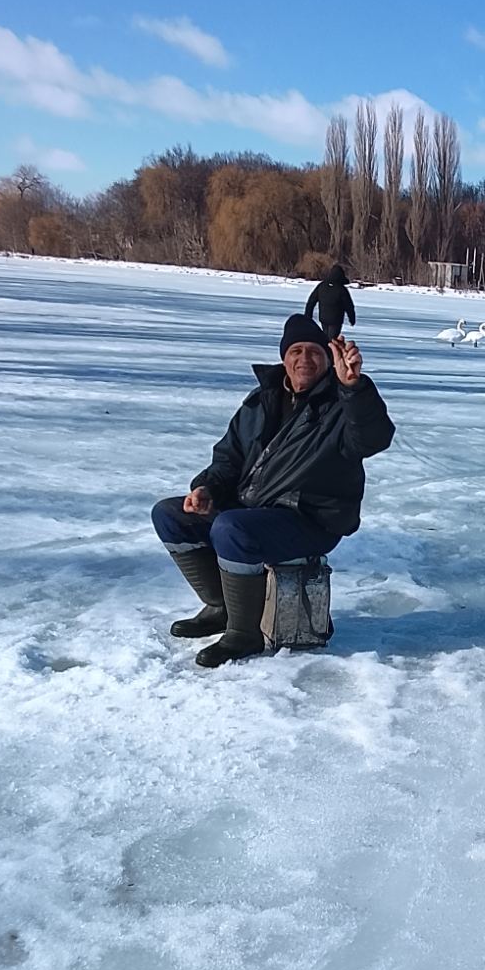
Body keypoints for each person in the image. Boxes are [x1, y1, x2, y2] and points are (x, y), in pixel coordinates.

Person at [151, 314, 394, 668]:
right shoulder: (260, 399)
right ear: (284, 357)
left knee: (231, 528)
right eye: (296, 350)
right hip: (251, 510)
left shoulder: (342, 404)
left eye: (315, 352)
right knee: (170, 515)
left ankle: (244, 634)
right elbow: (228, 458)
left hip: (311, 519)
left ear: (329, 359)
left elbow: (374, 438)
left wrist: (354, 388)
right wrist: (206, 488)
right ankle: (222, 607)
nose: (304, 359)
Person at [305, 263, 356, 342]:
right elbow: (349, 306)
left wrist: (308, 316)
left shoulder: (321, 286)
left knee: (326, 338)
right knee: (332, 341)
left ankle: (327, 351)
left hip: (323, 319)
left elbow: (311, 302)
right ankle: (329, 353)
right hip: (336, 320)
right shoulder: (341, 289)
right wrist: (352, 318)